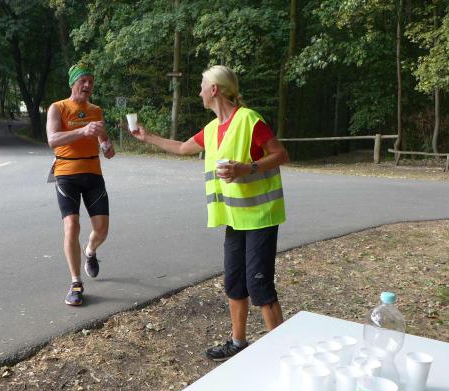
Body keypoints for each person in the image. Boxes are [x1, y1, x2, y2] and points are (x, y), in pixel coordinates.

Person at [132, 64, 288, 361]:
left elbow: (281, 154)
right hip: (234, 218)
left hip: (260, 217)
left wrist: (247, 168)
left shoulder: (248, 119)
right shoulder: (213, 129)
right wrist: (148, 136)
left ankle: (283, 355)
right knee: (234, 282)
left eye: (202, 85)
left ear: (214, 89)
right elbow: (182, 148)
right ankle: (238, 343)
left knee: (259, 285)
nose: (199, 92)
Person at [46, 63, 116, 306]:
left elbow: (104, 141)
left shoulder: (96, 110)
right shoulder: (58, 108)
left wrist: (106, 145)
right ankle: (76, 283)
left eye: (91, 82)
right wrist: (83, 131)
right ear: (72, 83)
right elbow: (53, 139)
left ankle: (90, 250)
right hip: (67, 173)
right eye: (83, 81)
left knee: (102, 230)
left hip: (93, 174)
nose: (87, 85)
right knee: (72, 225)